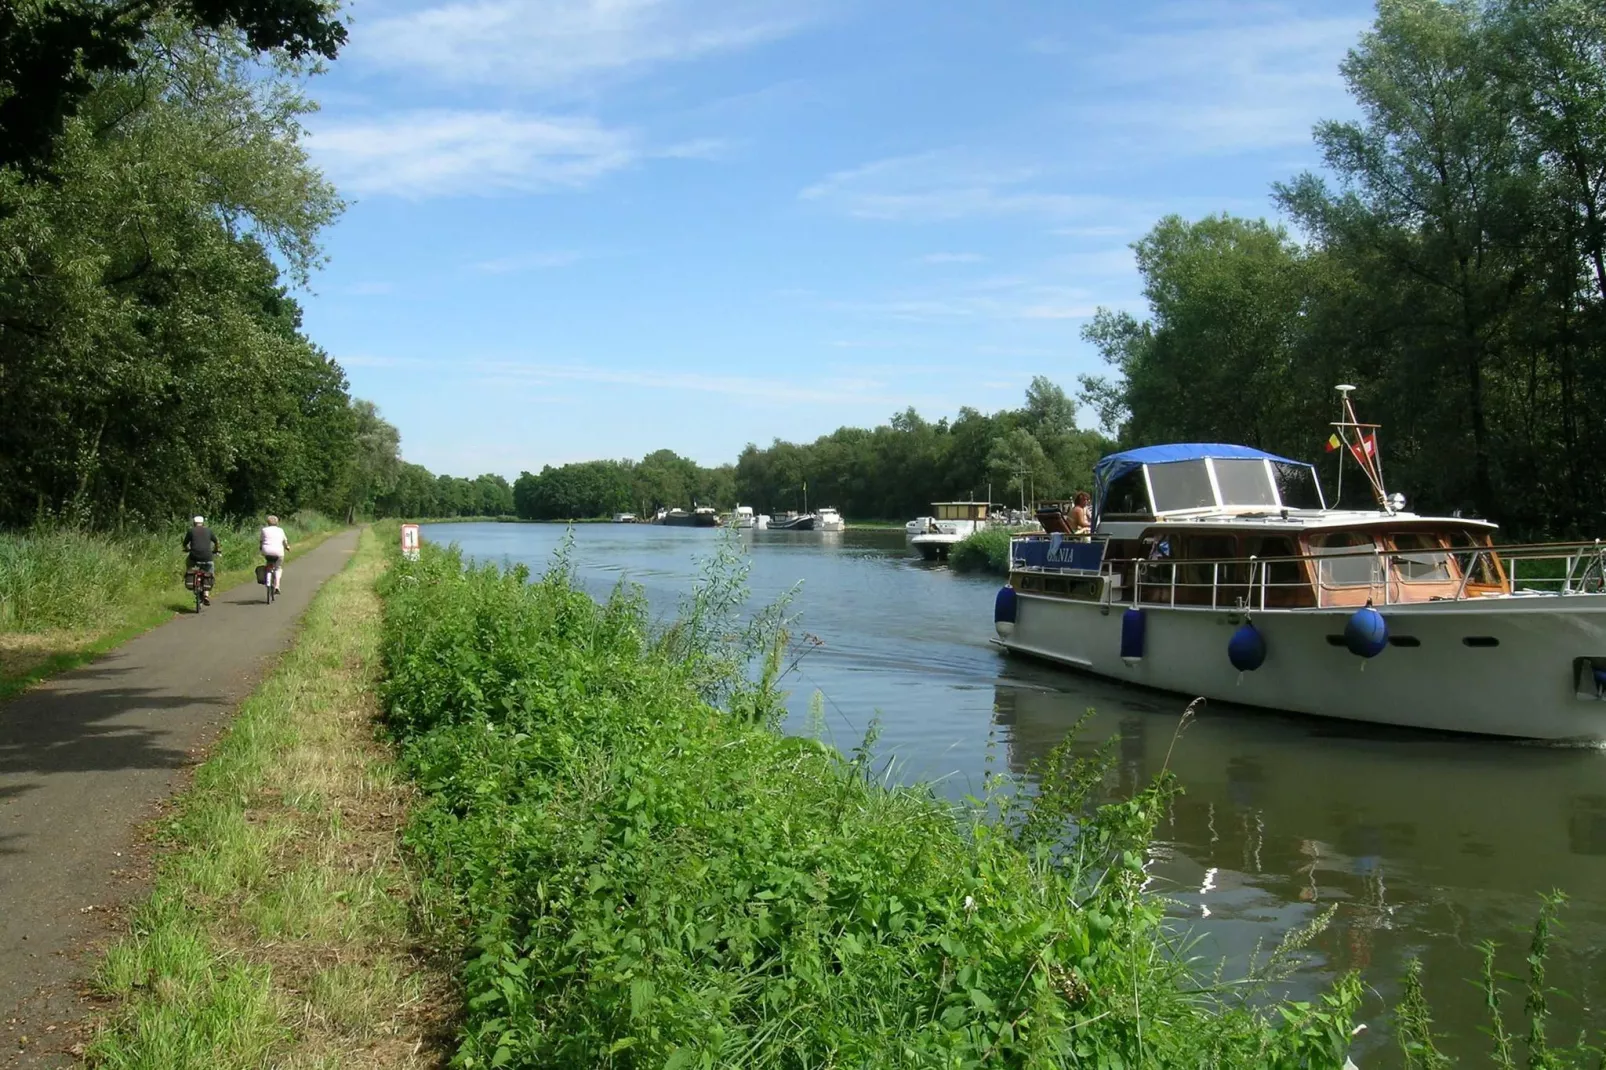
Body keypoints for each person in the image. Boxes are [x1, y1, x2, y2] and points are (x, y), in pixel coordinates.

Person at [183, 516, 220, 605]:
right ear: (203, 523)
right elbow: (216, 541)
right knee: (210, 572)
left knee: (189, 564)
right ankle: (206, 594)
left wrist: (187, 549)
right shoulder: (209, 531)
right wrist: (216, 550)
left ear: (194, 523)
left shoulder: (191, 531)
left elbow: (185, 543)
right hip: (207, 557)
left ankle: (189, 576)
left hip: (194, 556)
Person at [259, 514, 290, 595]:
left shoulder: (264, 530)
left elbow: (261, 541)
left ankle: (267, 577)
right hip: (278, 551)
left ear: (268, 522)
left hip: (266, 551)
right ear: (277, 522)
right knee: (278, 568)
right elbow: (284, 542)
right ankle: (277, 586)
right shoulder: (280, 530)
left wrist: (261, 548)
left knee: (268, 563)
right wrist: (287, 547)